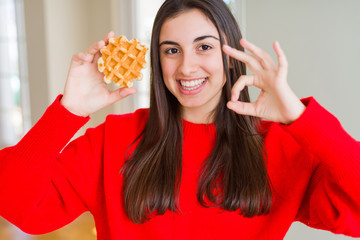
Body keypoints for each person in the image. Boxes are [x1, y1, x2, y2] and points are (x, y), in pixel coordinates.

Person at [0, 0, 359, 239]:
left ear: (230, 55)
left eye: (204, 47)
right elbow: (16, 205)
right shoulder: (114, 139)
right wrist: (68, 112)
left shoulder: (282, 147)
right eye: (172, 50)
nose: (187, 67)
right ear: (158, 61)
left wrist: (299, 117)